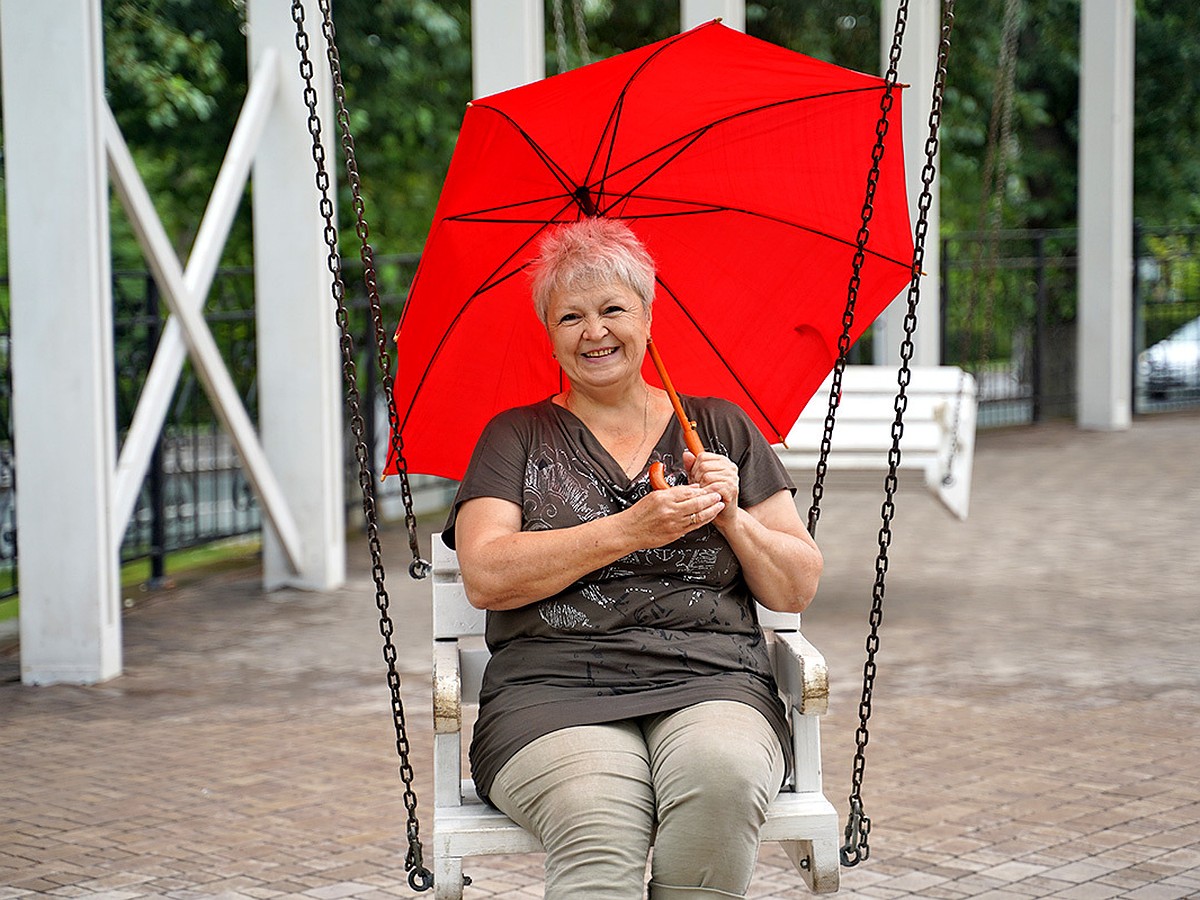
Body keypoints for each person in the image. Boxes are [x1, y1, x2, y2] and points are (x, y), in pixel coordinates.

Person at [443, 217, 823, 900]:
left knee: (724, 779)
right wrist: (627, 530)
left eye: (614, 309)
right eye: (571, 316)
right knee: (597, 817)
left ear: (648, 316)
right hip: (552, 692)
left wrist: (733, 516)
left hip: (712, 680)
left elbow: (794, 585)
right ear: (550, 333)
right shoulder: (515, 436)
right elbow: (486, 573)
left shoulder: (720, 429)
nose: (595, 331)